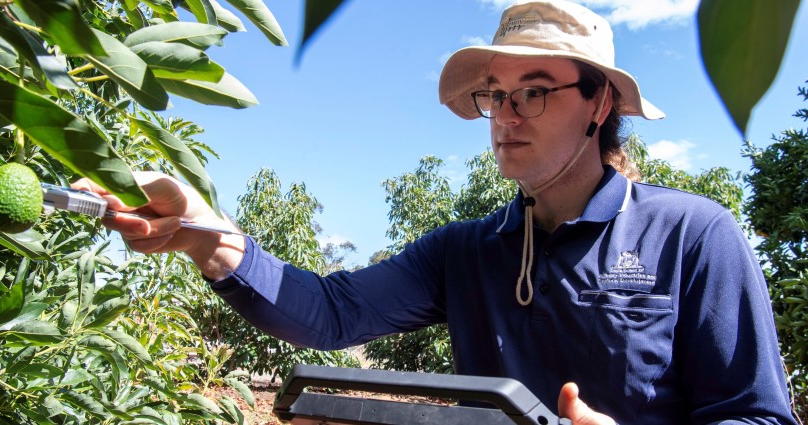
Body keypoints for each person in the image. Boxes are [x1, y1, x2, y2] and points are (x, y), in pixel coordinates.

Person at [73, 1, 797, 423]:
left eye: (535, 91)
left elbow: (760, 415)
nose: (505, 116)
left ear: (600, 102)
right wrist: (206, 234)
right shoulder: (468, 251)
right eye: (495, 93)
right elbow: (328, 312)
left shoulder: (692, 235)